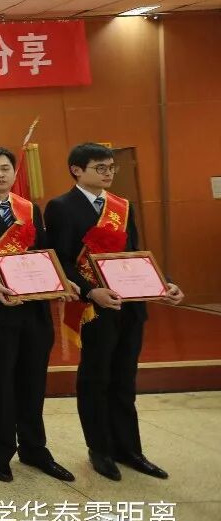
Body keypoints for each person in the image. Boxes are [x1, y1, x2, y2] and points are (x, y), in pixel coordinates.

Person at [44, 143, 185, 481]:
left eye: (111, 167)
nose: (108, 173)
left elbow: (134, 252)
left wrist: (164, 283)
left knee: (124, 378)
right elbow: (61, 259)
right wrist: (90, 291)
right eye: (100, 167)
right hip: (93, 307)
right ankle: (100, 449)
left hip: (129, 305)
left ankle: (129, 449)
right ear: (77, 170)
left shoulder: (122, 206)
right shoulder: (61, 207)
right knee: (96, 378)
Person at [0, 146, 77, 483]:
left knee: (33, 379)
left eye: (5, 168)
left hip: (35, 306)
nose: (0, 174)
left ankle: (35, 448)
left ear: (14, 172)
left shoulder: (28, 209)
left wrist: (61, 280)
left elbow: (44, 251)